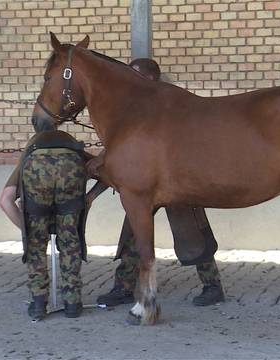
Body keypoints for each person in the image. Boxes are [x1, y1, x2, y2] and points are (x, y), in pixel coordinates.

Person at [94, 58, 225, 308]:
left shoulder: (174, 105)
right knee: (134, 232)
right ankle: (123, 286)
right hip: (143, 182)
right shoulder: (132, 109)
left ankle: (212, 285)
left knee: (193, 233)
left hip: (177, 181)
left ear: (152, 79)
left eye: (139, 78)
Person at [0, 119, 107, 320]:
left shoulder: (31, 150)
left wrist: (27, 230)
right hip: (72, 166)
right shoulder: (70, 144)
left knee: (36, 244)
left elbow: (5, 201)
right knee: (70, 242)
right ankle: (72, 303)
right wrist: (89, 197)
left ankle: (39, 303)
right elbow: (107, 174)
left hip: (35, 173)